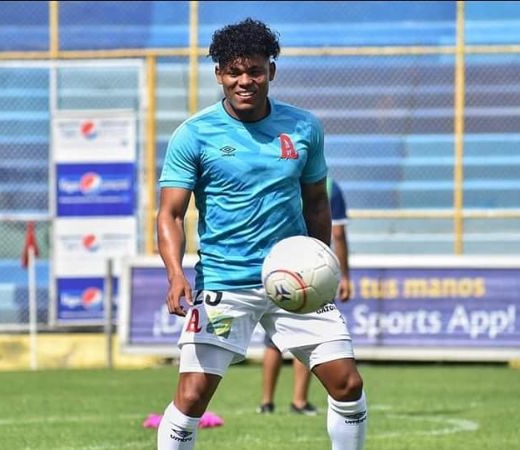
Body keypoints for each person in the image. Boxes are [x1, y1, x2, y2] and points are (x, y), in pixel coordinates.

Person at [155, 18, 367, 450]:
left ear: (271, 70)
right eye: (234, 72)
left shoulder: (304, 127)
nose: (245, 81)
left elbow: (317, 203)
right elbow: (170, 214)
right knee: (192, 397)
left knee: (347, 384)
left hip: (295, 279)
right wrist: (175, 274)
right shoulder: (193, 134)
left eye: (254, 70)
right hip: (225, 283)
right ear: (219, 74)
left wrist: (321, 262)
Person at [258, 178, 352, 416]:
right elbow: (338, 233)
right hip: (312, 272)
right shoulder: (328, 185)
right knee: (309, 336)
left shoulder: (280, 178)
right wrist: (344, 275)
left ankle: (266, 401)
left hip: (277, 268)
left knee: (272, 341)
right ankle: (299, 400)